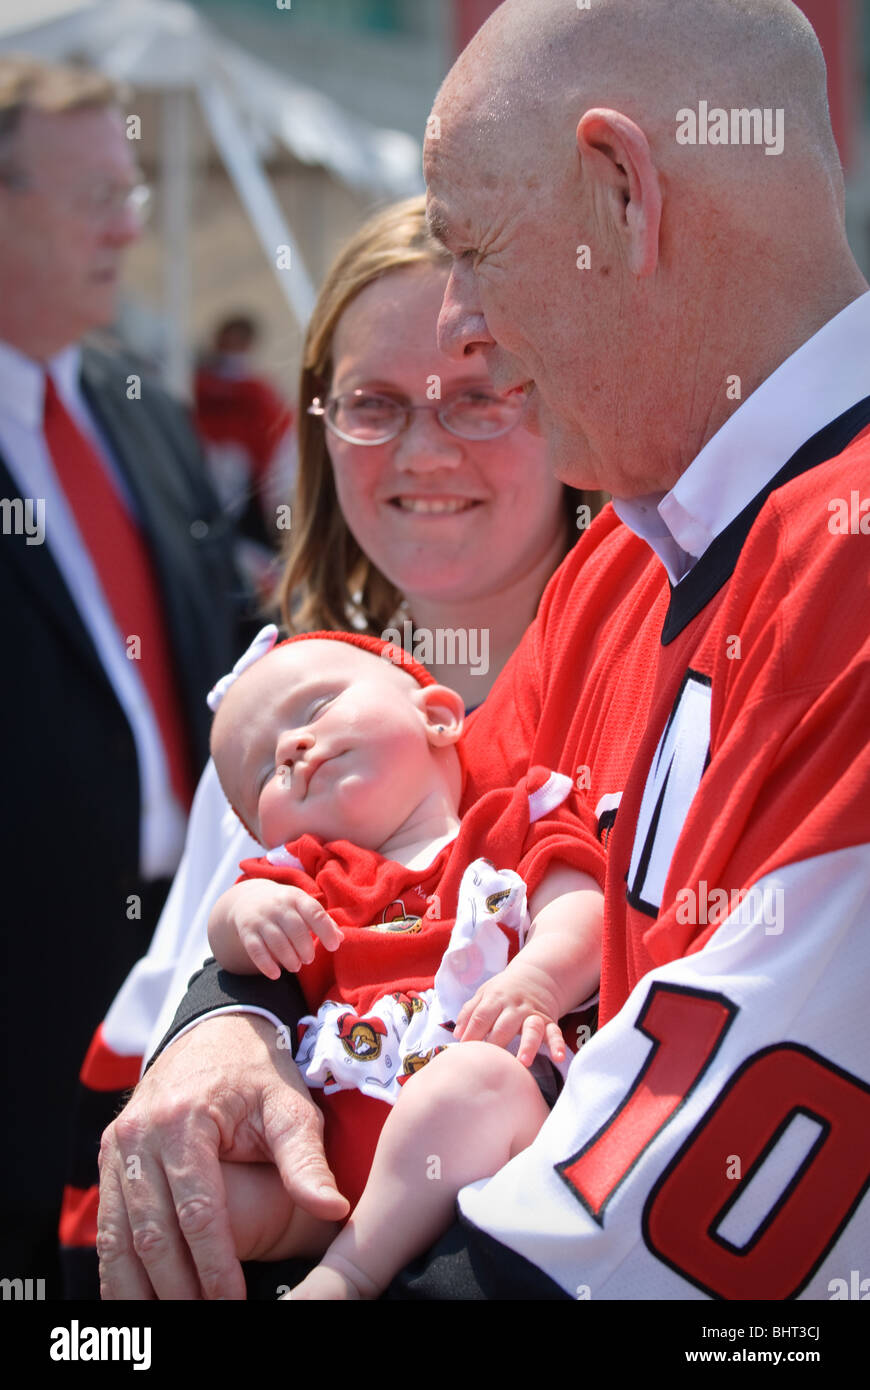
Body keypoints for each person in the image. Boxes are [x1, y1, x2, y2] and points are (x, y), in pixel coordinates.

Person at [67, 195, 599, 1297]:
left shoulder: (648, 685)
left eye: (480, 397)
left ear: (573, 409)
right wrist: (221, 1021)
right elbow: (151, 1120)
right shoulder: (275, 724)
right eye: (375, 403)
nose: (422, 447)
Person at [0, 55, 249, 1296]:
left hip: (174, 957)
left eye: (135, 184)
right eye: (96, 189)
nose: (130, 220)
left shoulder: (131, 399)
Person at [204, 626, 602, 1260]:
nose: (290, 748)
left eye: (316, 709)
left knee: (470, 1084)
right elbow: (226, 935)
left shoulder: (511, 820)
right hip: (327, 1174)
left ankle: (353, 1275)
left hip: (488, 1136)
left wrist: (540, 982)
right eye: (263, 777)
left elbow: (584, 907)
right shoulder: (311, 879)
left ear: (439, 717)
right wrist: (244, 914)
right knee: (198, 1194)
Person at [193, 314, 296, 601]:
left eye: (239, 339)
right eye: (228, 337)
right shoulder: (193, 387)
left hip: (249, 506)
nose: (232, 346)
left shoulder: (260, 394)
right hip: (203, 495)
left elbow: (279, 446)